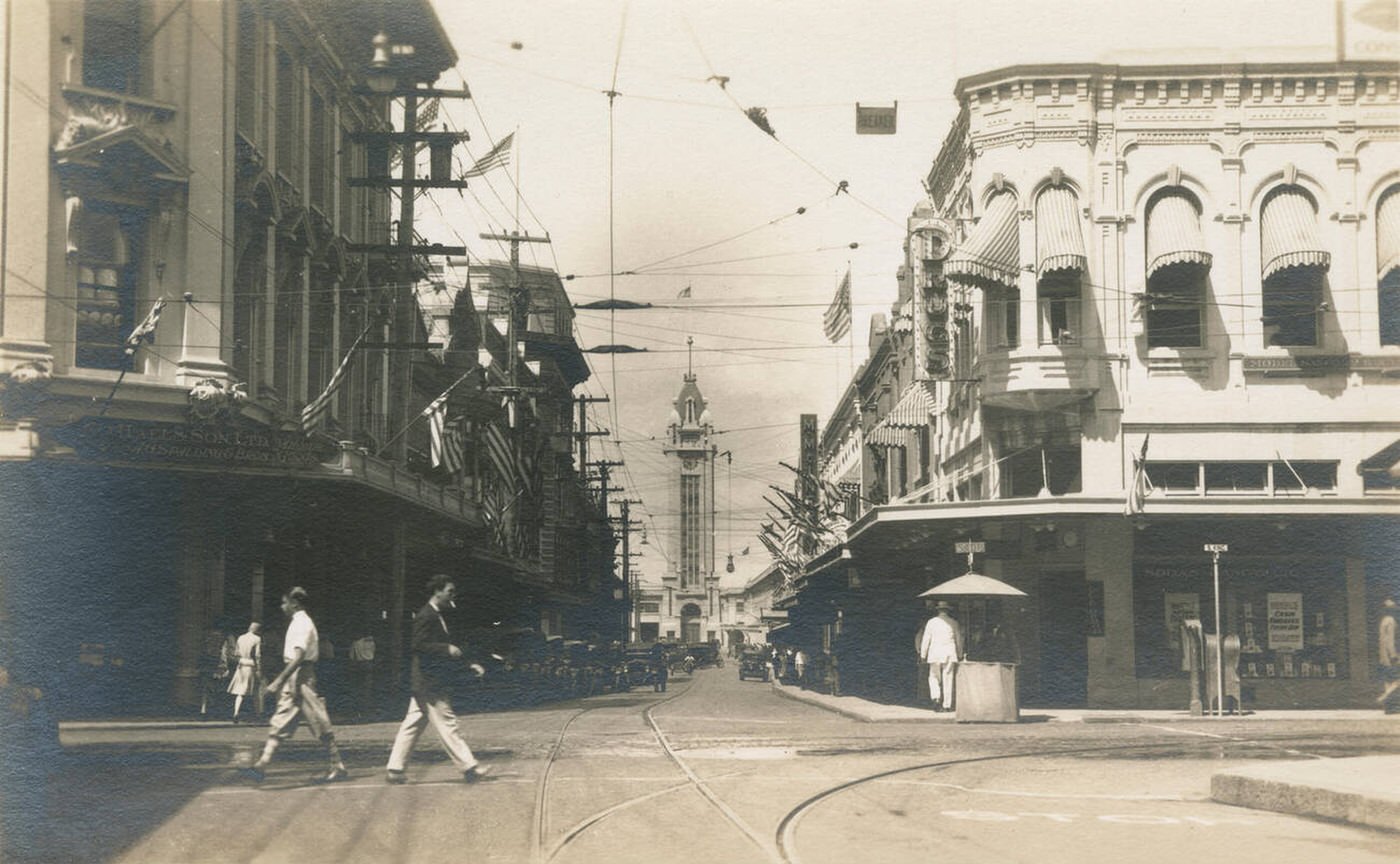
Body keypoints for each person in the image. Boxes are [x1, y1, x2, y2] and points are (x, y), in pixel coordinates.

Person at [386, 575, 491, 784]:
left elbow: (439, 647)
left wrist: (467, 663)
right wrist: (446, 648)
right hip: (430, 681)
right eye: (450, 591)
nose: (453, 595)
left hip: (424, 681)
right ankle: (469, 766)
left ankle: (395, 769)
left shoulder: (436, 615)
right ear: (437, 591)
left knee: (413, 723)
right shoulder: (426, 615)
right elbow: (418, 645)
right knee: (447, 723)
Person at [240, 587, 348, 784]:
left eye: (285, 603)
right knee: (281, 719)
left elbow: (298, 657)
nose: (282, 607)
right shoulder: (298, 622)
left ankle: (337, 765)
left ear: (294, 603)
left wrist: (278, 681)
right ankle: (261, 766)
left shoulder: (302, 624)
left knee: (318, 721)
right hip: (295, 677)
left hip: (302, 677)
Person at [919, 600, 964, 711]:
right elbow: (959, 640)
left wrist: (923, 654)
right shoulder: (953, 623)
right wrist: (960, 653)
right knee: (948, 678)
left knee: (934, 677)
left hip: (935, 653)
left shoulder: (931, 622)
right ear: (948, 610)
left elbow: (926, 639)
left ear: (938, 610)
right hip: (949, 653)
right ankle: (947, 705)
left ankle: (936, 697)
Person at [226, 621, 262, 723]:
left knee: (240, 692)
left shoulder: (241, 638)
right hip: (251, 665)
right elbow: (258, 655)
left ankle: (236, 712)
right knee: (255, 690)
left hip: (241, 665)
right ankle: (258, 714)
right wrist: (259, 669)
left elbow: (236, 653)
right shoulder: (257, 639)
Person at [348, 628, 377, 723]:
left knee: (358, 689)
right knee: (368, 689)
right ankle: (368, 713)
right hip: (369, 664)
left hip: (359, 665)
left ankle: (359, 713)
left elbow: (352, 657)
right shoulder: (372, 642)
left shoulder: (355, 643)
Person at [1379, 597, 1399, 714]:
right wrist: (1393, 655)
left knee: (1388, 680)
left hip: (1383, 656)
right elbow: (1390, 640)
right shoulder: (1391, 620)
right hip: (1390, 656)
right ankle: (1385, 698)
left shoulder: (1383, 620)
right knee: (1396, 680)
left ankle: (1389, 707)